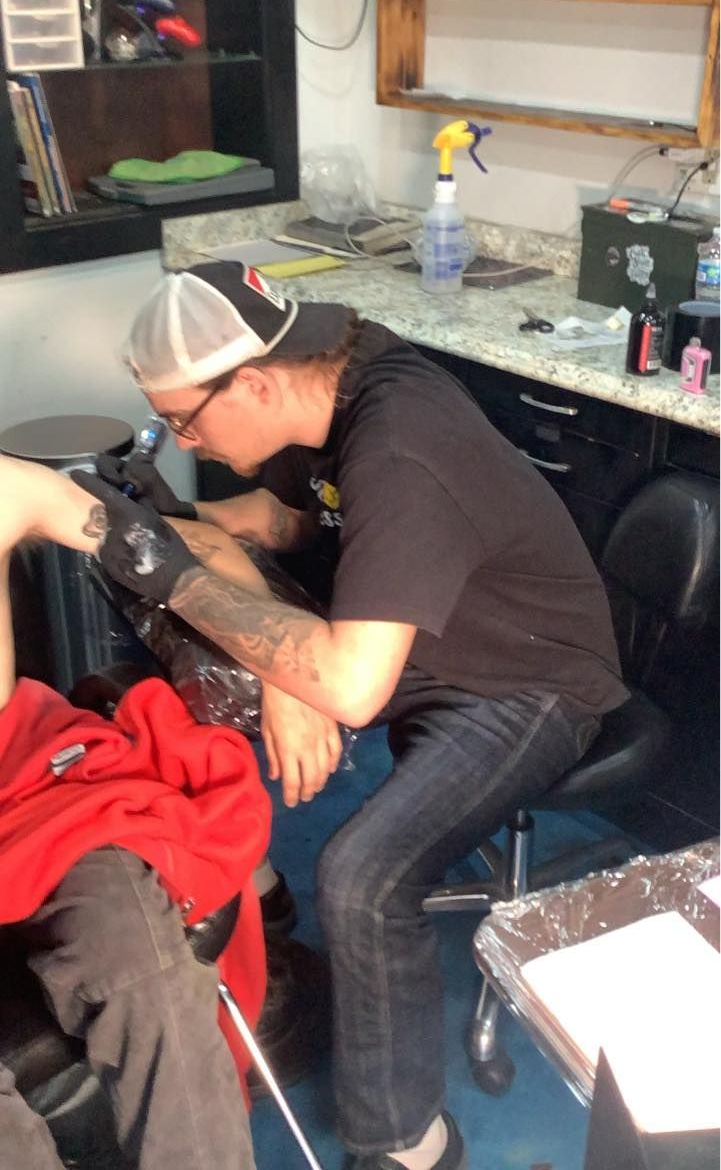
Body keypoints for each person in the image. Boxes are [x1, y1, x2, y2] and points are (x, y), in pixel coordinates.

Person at [75, 262, 629, 1170]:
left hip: (526, 681)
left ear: (253, 381)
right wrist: (214, 536)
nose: (187, 440)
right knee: (181, 673)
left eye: (185, 420)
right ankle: (261, 905)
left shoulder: (400, 441)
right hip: (419, 639)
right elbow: (309, 522)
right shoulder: (345, 368)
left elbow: (353, 686)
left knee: (366, 875)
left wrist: (176, 575)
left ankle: (407, 1142)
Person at [0, 454, 277, 1170]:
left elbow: (166, 552)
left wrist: (283, 668)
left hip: (31, 782)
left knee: (139, 960)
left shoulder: (6, 491)